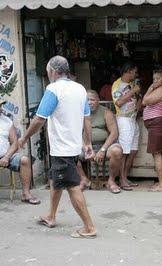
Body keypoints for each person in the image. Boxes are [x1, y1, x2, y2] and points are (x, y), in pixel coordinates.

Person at [18, 55, 96, 238]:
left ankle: (89, 227)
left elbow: (39, 119)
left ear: (53, 71)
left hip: (63, 148)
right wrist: (88, 143)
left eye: (47, 71)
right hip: (73, 146)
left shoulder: (53, 89)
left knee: (72, 186)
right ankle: (51, 216)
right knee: (56, 179)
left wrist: (25, 137)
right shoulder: (80, 89)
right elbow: (87, 118)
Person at [76, 90, 123, 193]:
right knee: (68, 152)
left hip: (104, 145)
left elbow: (114, 133)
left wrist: (102, 150)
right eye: (87, 100)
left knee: (117, 151)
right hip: (86, 146)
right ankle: (84, 179)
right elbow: (76, 134)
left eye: (92, 99)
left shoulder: (106, 112)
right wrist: (86, 147)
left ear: (98, 100)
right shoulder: (79, 113)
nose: (89, 102)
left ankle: (111, 181)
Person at [0, 98, 40, 205]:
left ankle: (25, 194)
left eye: (0, 105)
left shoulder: (7, 121)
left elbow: (14, 143)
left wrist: (7, 157)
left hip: (4, 156)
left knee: (25, 160)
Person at [142, 69, 162, 192]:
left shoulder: (161, 90)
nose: (155, 81)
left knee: (157, 154)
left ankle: (161, 184)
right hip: (161, 124)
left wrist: (150, 88)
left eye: (158, 79)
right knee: (161, 153)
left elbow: (145, 101)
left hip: (158, 126)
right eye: (154, 79)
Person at [111, 62, 141, 191]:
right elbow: (118, 102)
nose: (136, 74)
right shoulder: (118, 85)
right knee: (124, 151)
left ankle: (125, 177)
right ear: (128, 71)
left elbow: (137, 99)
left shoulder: (132, 84)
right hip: (123, 120)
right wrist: (133, 91)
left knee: (133, 150)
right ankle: (122, 180)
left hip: (133, 119)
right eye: (134, 72)